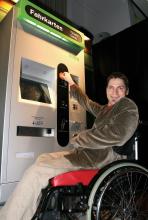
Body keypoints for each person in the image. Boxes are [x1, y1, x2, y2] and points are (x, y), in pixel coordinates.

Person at [0, 72, 139, 220]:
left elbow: (117, 135)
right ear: (106, 90)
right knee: (42, 158)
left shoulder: (127, 106)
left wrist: (80, 138)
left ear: (127, 91)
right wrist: (71, 83)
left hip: (99, 160)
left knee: (37, 171)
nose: (115, 92)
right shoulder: (106, 109)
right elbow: (87, 103)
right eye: (111, 88)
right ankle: (30, 210)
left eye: (120, 88)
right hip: (85, 155)